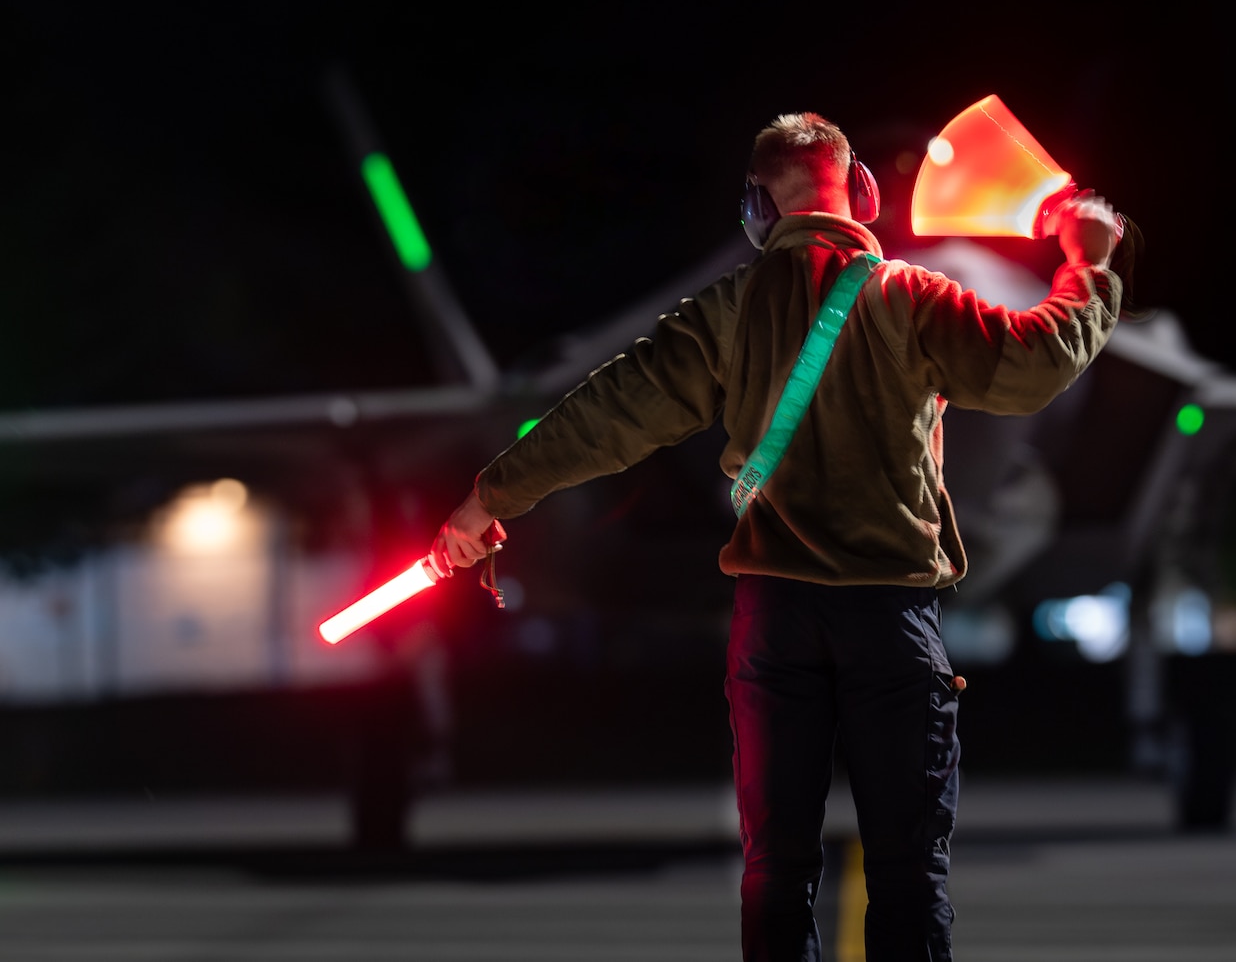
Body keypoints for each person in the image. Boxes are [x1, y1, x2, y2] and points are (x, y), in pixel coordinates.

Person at [430, 111, 1123, 961]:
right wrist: (1088, 262)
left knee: (775, 869)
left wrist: (489, 496)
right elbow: (1036, 362)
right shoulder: (911, 299)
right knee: (909, 867)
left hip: (774, 624)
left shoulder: (726, 310)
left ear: (758, 209)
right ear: (863, 193)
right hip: (891, 621)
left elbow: (607, 415)